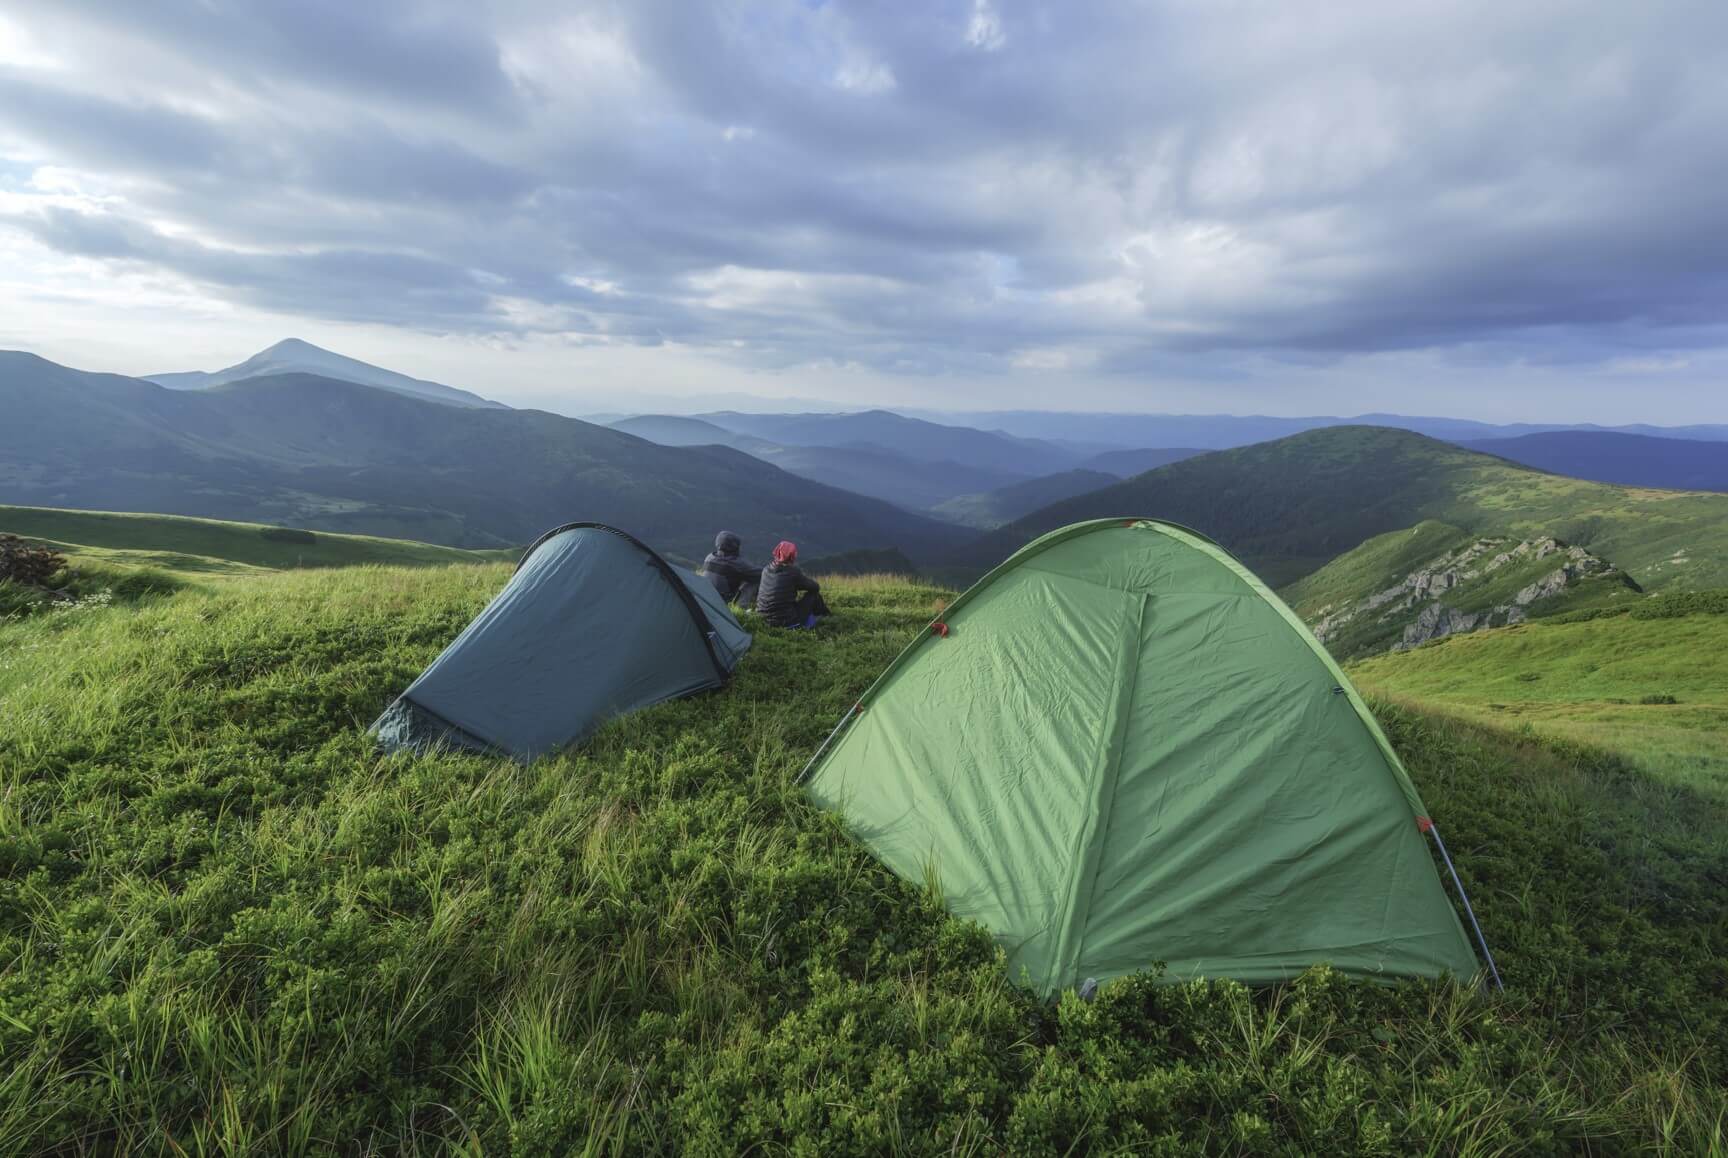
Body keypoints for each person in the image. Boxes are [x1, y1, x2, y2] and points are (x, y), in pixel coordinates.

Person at [756, 540, 832, 628]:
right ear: (792, 556)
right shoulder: (793, 572)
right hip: (786, 620)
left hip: (762, 617)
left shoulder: (765, 569)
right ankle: (827, 617)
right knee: (814, 595)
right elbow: (815, 587)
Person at [702, 530, 760, 609]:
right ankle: (741, 608)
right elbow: (761, 573)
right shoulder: (736, 564)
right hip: (722, 603)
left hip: (704, 598)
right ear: (734, 546)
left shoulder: (709, 557)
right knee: (753, 580)